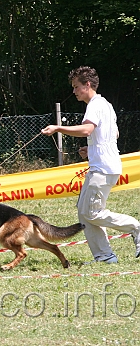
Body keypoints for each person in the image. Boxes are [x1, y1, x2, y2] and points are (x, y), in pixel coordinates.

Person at [41, 66, 140, 264]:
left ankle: (135, 228)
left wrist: (58, 128)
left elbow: (87, 130)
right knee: (84, 211)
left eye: (76, 87)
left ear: (87, 85)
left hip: (102, 168)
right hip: (103, 165)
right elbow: (114, 135)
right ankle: (104, 256)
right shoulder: (106, 105)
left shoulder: (95, 105)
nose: (74, 91)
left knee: (91, 212)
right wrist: (91, 149)